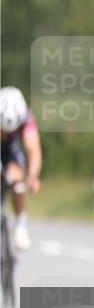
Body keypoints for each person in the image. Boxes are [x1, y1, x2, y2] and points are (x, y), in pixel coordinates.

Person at [0, 87, 43, 250]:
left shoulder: (26, 118)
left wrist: (32, 177)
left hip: (11, 149)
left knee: (17, 178)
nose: (4, 132)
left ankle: (20, 225)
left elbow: (34, 151)